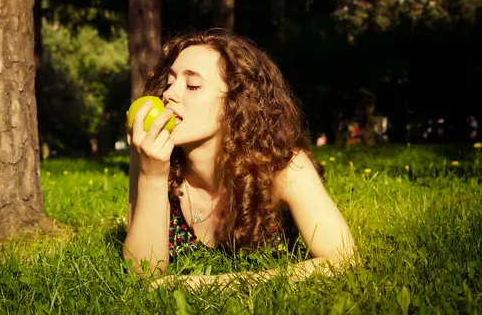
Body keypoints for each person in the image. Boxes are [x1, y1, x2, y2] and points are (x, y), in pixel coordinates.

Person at [123, 30, 356, 289]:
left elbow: (342, 258)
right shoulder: (153, 160)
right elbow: (141, 271)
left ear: (237, 103)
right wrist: (152, 176)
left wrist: (211, 284)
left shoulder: (285, 167)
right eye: (169, 82)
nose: (169, 95)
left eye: (192, 86)